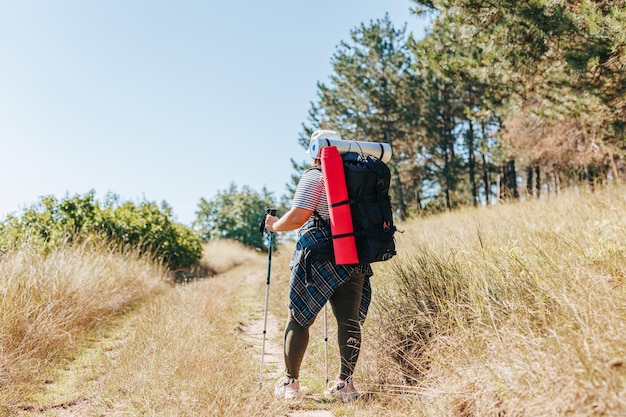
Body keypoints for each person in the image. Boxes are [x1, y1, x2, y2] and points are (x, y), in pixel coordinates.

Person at [264, 129, 373, 402]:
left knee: (299, 317)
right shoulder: (361, 176)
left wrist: (274, 226)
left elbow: (298, 216)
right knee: (348, 320)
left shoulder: (315, 175)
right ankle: (345, 386)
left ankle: (290, 384)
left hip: (319, 256)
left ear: (315, 151)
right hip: (355, 254)